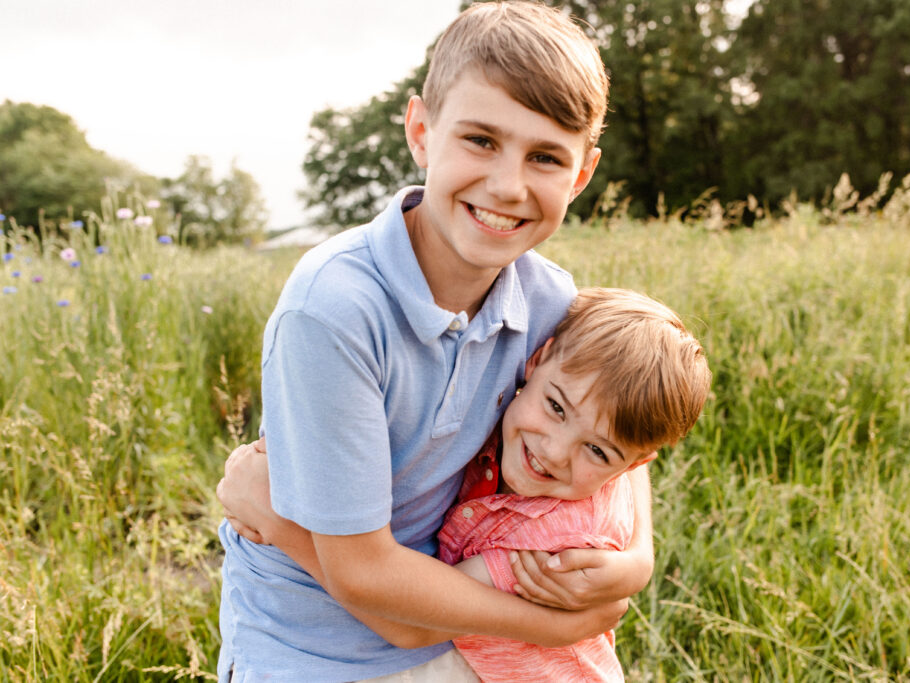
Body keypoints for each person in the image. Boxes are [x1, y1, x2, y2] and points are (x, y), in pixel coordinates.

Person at [216, 3, 657, 681]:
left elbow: (620, 420)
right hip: (311, 649)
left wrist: (638, 559)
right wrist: (566, 622)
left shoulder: (547, 299)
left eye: (545, 157)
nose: (508, 185)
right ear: (422, 131)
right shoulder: (334, 310)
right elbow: (366, 579)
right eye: (480, 139)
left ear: (581, 174)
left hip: (451, 626)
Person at [223, 287, 712, 681]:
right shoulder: (568, 417)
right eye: (556, 408)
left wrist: (281, 524)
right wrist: (639, 558)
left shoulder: (554, 546)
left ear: (627, 464)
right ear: (536, 360)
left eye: (597, 451)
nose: (554, 451)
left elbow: (411, 623)